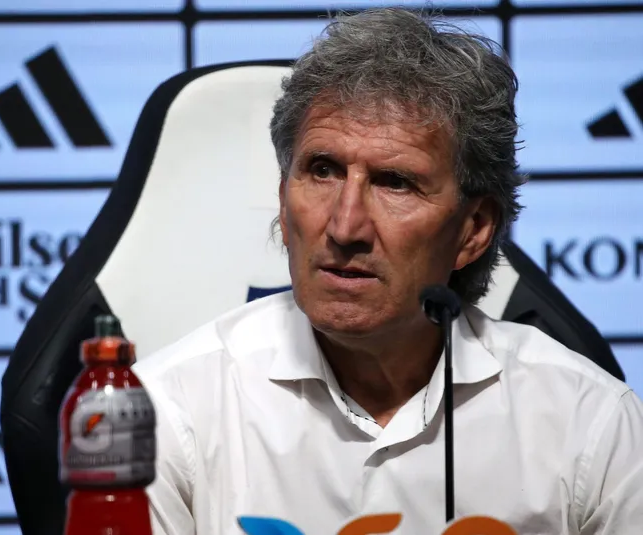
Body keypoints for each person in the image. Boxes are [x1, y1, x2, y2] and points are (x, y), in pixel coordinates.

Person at [132, 7, 643, 535]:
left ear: (473, 230)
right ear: (283, 204)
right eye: (322, 171)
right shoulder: (168, 412)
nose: (345, 226)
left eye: (395, 182)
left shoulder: (590, 425)